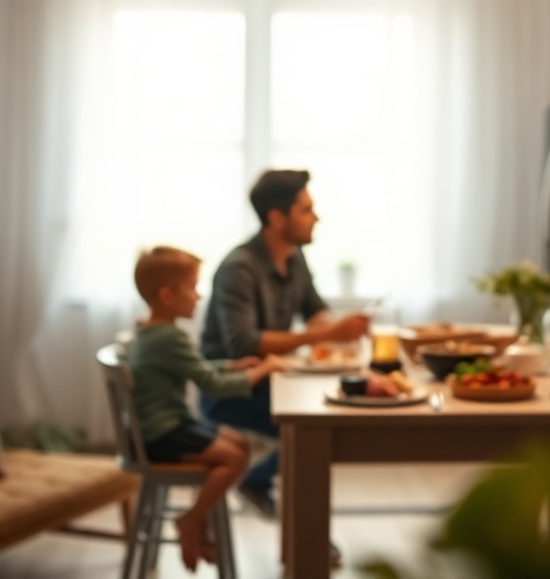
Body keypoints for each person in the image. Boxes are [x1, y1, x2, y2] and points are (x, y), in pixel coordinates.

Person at [198, 169, 370, 524]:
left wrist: (340, 332)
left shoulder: (294, 257)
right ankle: (287, 515)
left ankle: (269, 495)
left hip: (273, 382)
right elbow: (244, 343)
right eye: (306, 210)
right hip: (229, 391)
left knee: (326, 420)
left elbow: (316, 312)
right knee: (317, 430)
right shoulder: (239, 268)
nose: (316, 217)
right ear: (277, 218)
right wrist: (327, 334)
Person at [127, 246, 287, 572]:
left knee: (239, 442)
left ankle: (200, 524)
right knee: (235, 458)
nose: (198, 297)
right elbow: (211, 384)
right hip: (162, 434)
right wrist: (261, 371)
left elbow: (197, 367)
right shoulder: (169, 338)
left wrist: (231, 365)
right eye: (192, 288)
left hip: (165, 425)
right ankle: (193, 520)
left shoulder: (151, 332)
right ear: (167, 295)